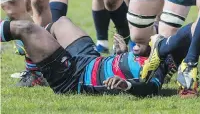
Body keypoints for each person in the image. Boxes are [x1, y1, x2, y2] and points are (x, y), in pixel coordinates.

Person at [0, 17, 174, 96]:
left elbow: (149, 89)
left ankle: (35, 53)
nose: (142, 34)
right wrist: (119, 54)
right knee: (61, 23)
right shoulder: (142, 55)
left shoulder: (156, 70)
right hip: (91, 59)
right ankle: (35, 71)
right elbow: (122, 68)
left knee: (25, 28)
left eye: (151, 32)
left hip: (73, 78)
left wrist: (127, 86)